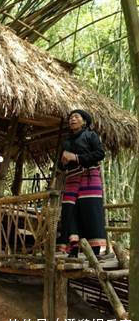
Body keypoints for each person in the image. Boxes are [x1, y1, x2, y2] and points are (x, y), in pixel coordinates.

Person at [56, 110, 106, 258]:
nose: (72, 119)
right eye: (71, 117)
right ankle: (73, 248)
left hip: (89, 177)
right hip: (71, 179)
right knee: (70, 212)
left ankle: (94, 251)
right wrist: (64, 162)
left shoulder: (91, 135)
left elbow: (100, 154)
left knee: (90, 211)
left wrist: (76, 157)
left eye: (76, 117)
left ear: (84, 121)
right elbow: (62, 165)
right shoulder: (67, 142)